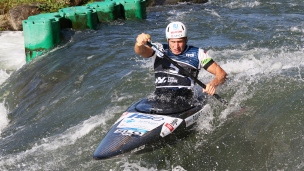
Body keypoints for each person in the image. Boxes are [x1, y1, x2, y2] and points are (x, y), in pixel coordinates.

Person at [134, 21, 227, 104]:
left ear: (186, 39)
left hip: (185, 101)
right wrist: (139, 44)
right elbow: (141, 51)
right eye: (173, 42)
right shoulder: (158, 49)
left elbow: (221, 74)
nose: (176, 46)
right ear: (167, 40)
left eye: (180, 42)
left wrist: (212, 84)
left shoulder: (198, 53)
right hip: (159, 98)